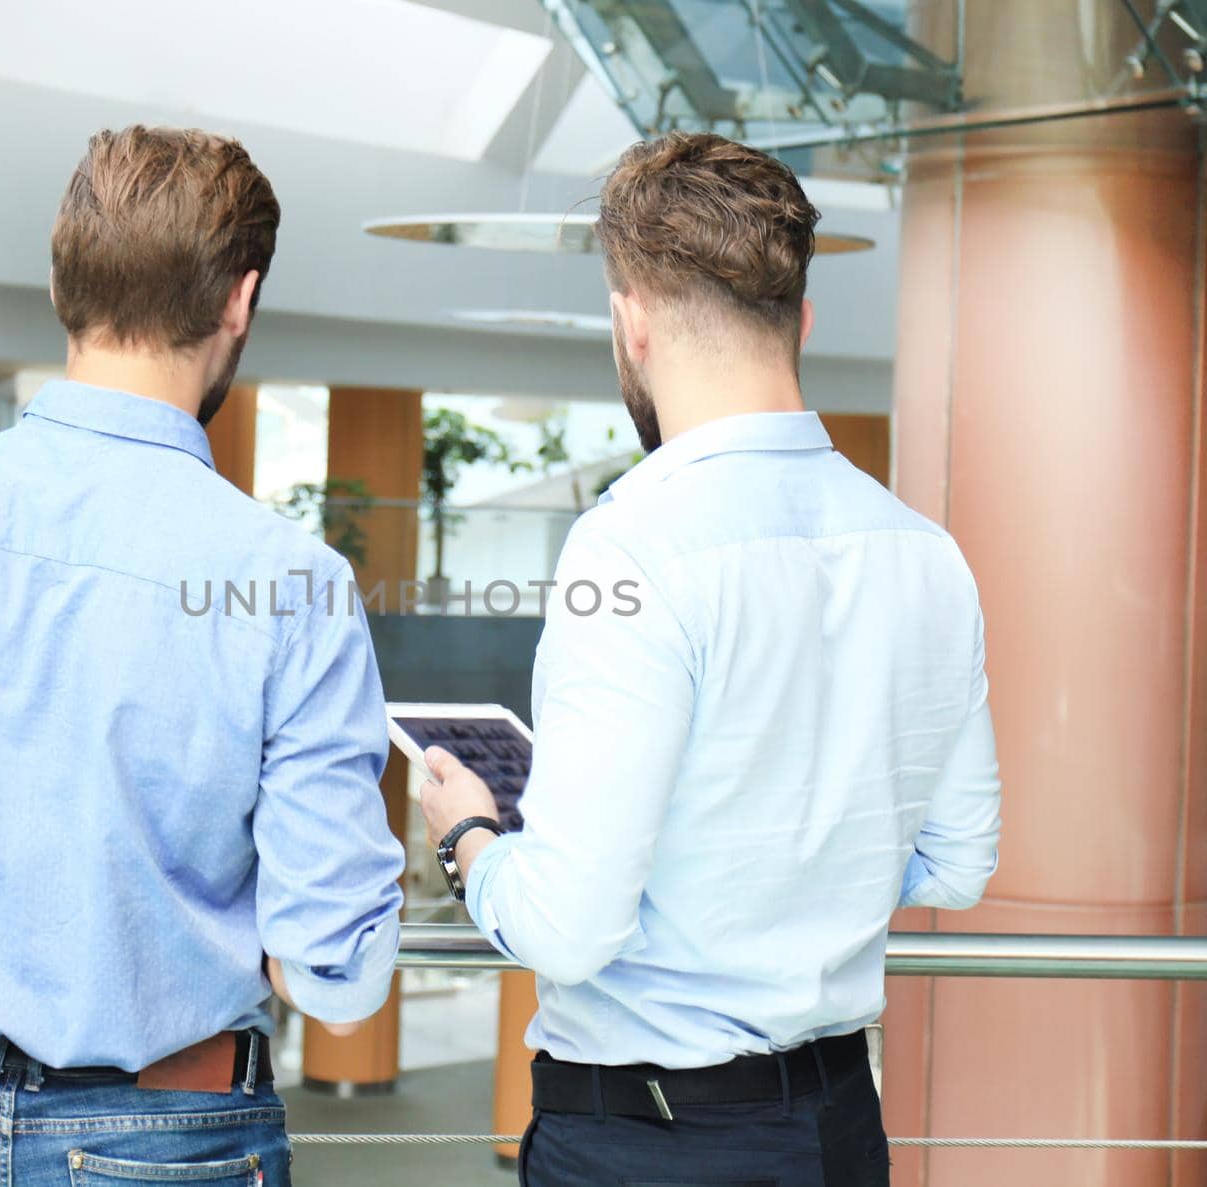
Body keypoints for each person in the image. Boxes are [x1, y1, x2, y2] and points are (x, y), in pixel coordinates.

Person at [0, 125, 404, 1186]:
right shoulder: (290, 580)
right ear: (238, 302)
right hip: (171, 1132)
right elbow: (332, 974)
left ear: (64, 284)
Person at [419, 132, 1001, 1187]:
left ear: (629, 320)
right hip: (836, 1131)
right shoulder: (927, 552)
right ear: (803, 320)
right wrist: (789, 862)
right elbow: (960, 860)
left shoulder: (629, 545)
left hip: (649, 1145)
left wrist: (469, 836)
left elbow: (570, 925)